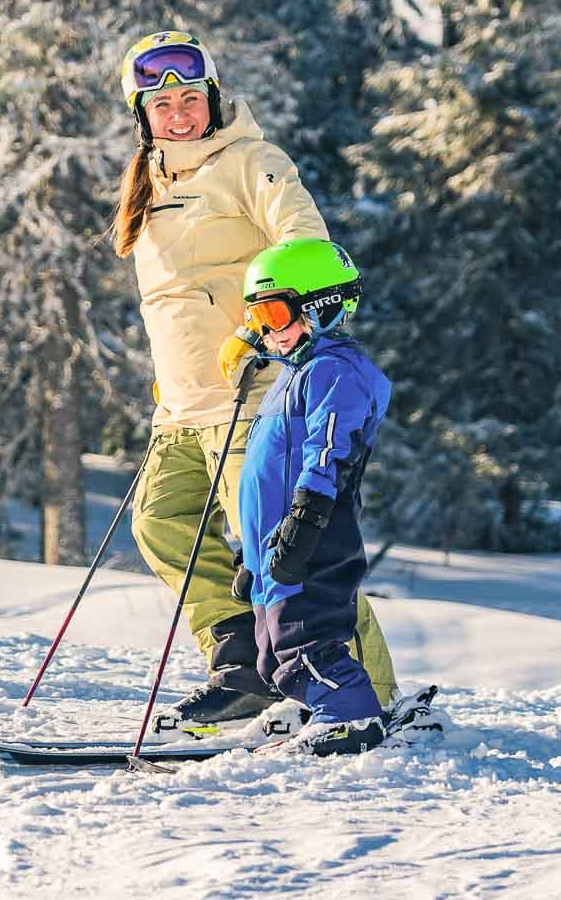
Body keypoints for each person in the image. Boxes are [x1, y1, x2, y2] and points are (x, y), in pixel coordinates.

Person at [112, 29, 396, 734]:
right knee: (161, 523)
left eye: (188, 99)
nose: (177, 115)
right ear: (141, 114)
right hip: (180, 409)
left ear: (211, 99)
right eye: (161, 104)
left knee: (295, 551)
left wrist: (259, 333)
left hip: (253, 396)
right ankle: (241, 664)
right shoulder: (150, 179)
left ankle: (375, 702)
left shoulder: (251, 163)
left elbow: (306, 247)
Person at [234, 238, 406, 755]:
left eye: (275, 311)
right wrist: (252, 551)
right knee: (270, 653)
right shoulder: (291, 375)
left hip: (314, 531)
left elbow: (327, 451)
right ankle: (317, 707)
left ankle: (348, 715)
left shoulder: (336, 372)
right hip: (275, 539)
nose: (266, 328)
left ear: (321, 307)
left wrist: (305, 523)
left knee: (303, 639)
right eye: (257, 315)